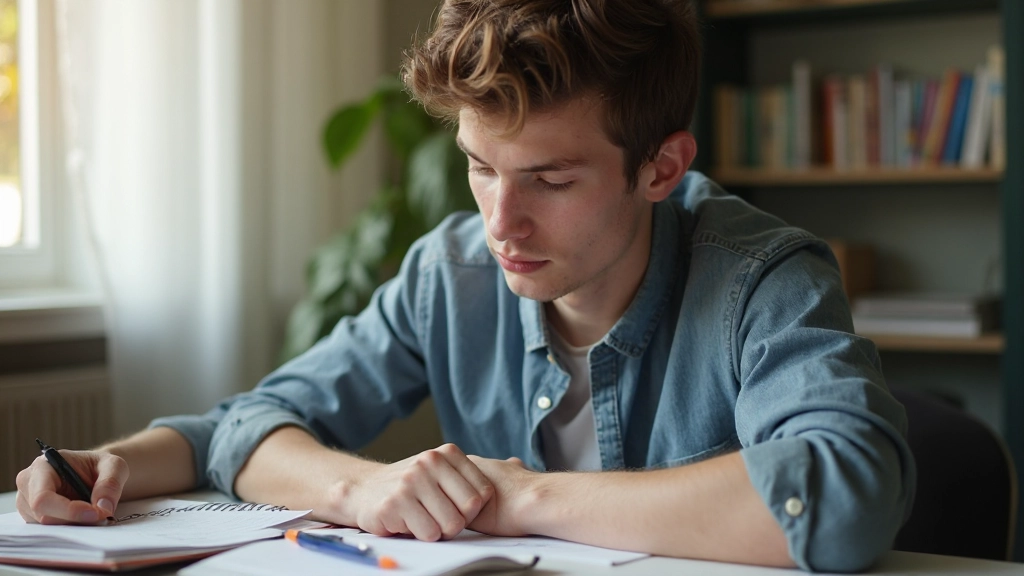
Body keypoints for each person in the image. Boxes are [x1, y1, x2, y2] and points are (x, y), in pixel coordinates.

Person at [15, 0, 915, 571]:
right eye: (481, 167)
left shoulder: (765, 278)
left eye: (551, 180)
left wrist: (520, 498)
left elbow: (839, 492)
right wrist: (122, 466)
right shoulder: (451, 274)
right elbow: (245, 428)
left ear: (661, 169)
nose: (501, 222)